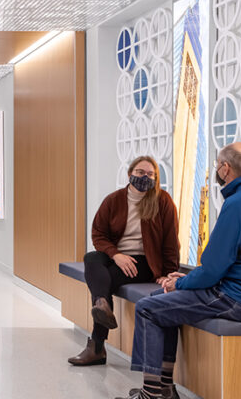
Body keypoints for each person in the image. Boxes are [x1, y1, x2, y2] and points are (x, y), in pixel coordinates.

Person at [118, 142, 241, 399]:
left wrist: (180, 283)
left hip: (238, 298)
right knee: (159, 302)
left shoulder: (238, 203)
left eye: (218, 165)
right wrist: (185, 279)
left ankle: (151, 394)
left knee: (148, 309)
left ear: (225, 168)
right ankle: (164, 388)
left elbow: (213, 267)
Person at [69, 156, 179, 367]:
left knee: (103, 280)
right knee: (91, 257)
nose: (144, 177)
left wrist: (168, 272)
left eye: (150, 174)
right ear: (130, 174)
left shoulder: (162, 200)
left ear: (155, 178)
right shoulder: (114, 200)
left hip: (145, 263)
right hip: (116, 256)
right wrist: (116, 255)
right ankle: (102, 305)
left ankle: (97, 346)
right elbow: (98, 234)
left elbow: (170, 240)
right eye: (140, 172)